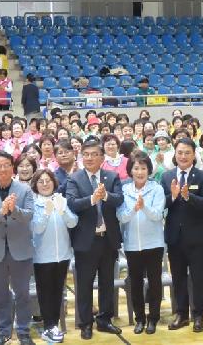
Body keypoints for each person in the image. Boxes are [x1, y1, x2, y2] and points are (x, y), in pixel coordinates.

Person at [66, 140, 123, 339]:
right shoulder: (75, 179)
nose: (89, 158)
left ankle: (105, 320)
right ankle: (85, 323)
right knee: (84, 283)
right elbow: (72, 204)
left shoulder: (112, 176)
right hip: (85, 241)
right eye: (86, 155)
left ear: (102, 157)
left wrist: (105, 195)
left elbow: (119, 199)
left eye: (93, 154)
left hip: (108, 239)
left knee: (107, 282)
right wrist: (92, 199)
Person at [0, 150, 36, 345]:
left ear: (12, 167)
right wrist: (1, 211)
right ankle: (3, 331)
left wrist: (14, 210)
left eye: (6, 165)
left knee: (23, 294)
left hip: (21, 250)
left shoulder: (25, 190)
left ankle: (23, 331)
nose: (2, 169)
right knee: (0, 295)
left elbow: (28, 215)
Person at [159, 138, 203, 332]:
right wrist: (172, 196)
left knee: (198, 278)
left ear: (193, 155)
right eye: (180, 152)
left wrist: (190, 198)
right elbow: (161, 204)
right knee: (178, 277)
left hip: (197, 237)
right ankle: (181, 313)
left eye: (187, 152)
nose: (183, 156)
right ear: (175, 153)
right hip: (175, 236)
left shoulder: (202, 177)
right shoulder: (166, 177)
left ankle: (198, 315)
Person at [116, 152, 165, 335]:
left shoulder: (157, 189)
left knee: (154, 282)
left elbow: (158, 215)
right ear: (130, 171)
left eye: (143, 168)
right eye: (136, 168)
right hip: (132, 244)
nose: (140, 172)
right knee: (135, 282)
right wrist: (134, 209)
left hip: (154, 243)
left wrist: (144, 206)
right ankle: (139, 319)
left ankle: (153, 318)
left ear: (149, 170)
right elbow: (121, 216)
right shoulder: (124, 190)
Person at [30, 169, 78, 343]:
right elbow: (36, 229)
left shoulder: (62, 200)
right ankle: (48, 326)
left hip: (63, 255)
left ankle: (53, 325)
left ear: (54, 182)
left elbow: (73, 222)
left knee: (58, 291)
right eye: (41, 181)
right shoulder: (33, 203)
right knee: (45, 292)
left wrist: (62, 210)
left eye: (48, 180)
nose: (44, 184)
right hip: (42, 256)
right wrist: (46, 212)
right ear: (35, 185)